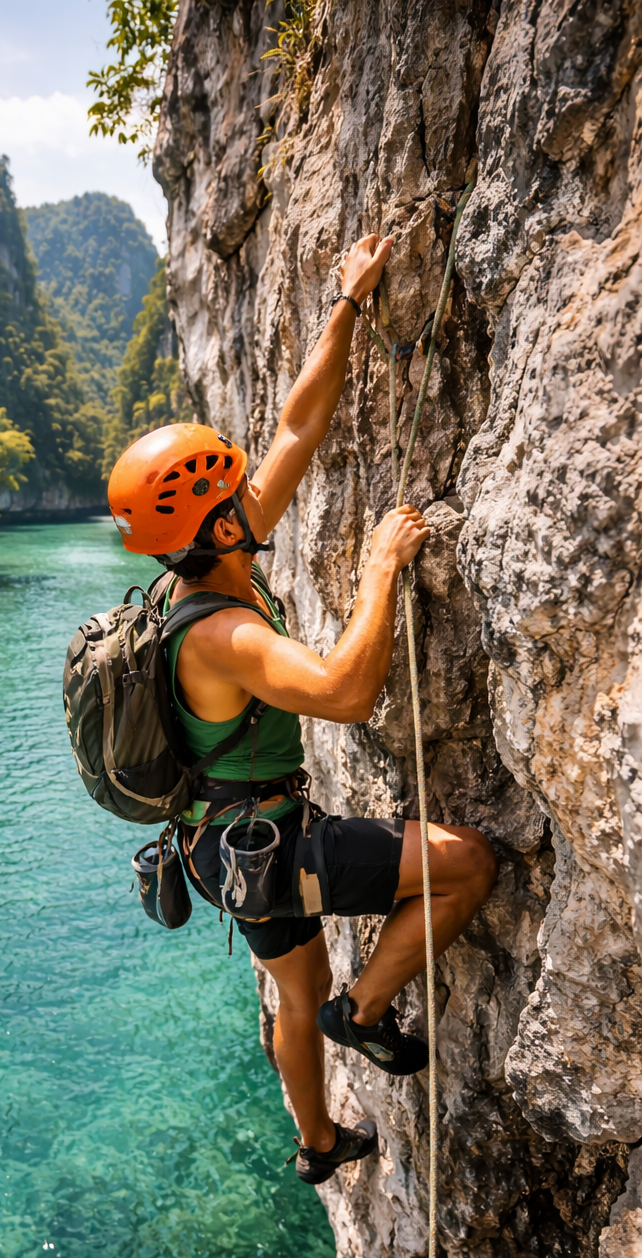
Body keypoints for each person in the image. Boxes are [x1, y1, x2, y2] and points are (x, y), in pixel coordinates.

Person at [106, 233, 498, 1185]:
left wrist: (349, 303)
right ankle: (361, 1016)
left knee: (293, 990)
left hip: (223, 845)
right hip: (270, 849)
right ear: (217, 519)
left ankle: (319, 1146)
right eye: (230, 488)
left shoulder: (201, 564)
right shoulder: (218, 633)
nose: (249, 488)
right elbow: (346, 694)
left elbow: (296, 429)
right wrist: (375, 572)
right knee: (463, 867)